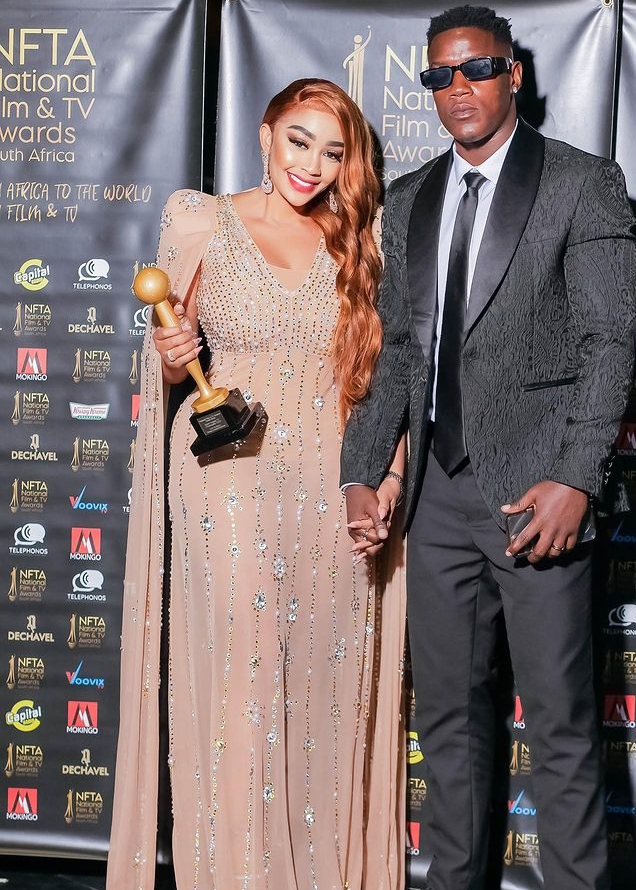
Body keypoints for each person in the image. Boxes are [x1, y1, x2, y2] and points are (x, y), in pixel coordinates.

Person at [342, 7, 636, 890]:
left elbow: (609, 343)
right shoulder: (409, 199)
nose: (458, 88)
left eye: (476, 69)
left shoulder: (581, 183)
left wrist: (575, 477)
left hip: (537, 496)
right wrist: (363, 469)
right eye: (440, 76)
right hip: (435, 500)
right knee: (448, 730)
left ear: (514, 74)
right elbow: (400, 352)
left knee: (560, 729)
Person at [108, 79, 406, 890]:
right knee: (241, 674)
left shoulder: (363, 238)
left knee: (324, 679)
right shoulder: (199, 219)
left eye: (332, 152)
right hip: (226, 474)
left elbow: (385, 376)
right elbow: (171, 354)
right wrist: (171, 355)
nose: (311, 164)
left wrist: (386, 475)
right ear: (267, 133)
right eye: (298, 140)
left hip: (335, 475)